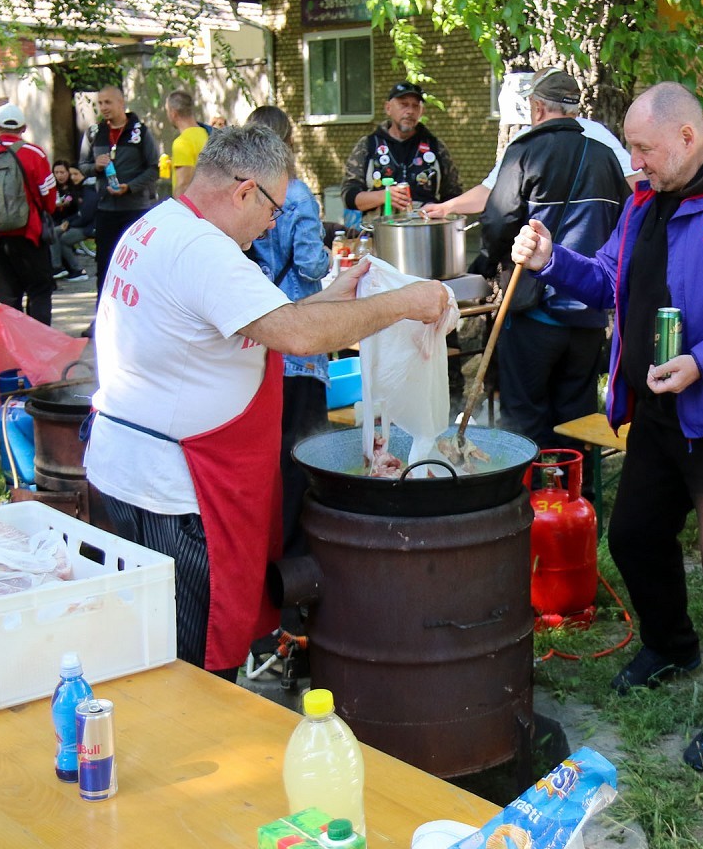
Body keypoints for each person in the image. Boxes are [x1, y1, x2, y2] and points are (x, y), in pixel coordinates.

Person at [510, 82, 703, 771]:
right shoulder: (645, 200)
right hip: (657, 407)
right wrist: (552, 260)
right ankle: (672, 644)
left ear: (687, 137)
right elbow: (608, 280)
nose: (635, 162)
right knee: (634, 535)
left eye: (644, 148)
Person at [84, 124, 452, 679]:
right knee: (190, 667)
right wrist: (405, 302)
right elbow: (297, 337)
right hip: (176, 491)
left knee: (148, 648)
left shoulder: (159, 225)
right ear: (244, 192)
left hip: (130, 470)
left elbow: (264, 321)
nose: (274, 223)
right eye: (275, 208)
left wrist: (334, 296)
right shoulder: (205, 251)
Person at [473, 69, 630, 453]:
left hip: (534, 311)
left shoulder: (523, 151)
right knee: (576, 423)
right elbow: (625, 225)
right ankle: (574, 487)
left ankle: (531, 488)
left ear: (538, 107)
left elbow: (497, 222)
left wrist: (489, 262)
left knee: (524, 419)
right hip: (589, 316)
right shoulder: (606, 157)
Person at [244, 105, 333, 558]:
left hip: (257, 339)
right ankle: (296, 557)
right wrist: (332, 254)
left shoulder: (244, 194)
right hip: (299, 338)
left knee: (266, 456)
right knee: (302, 454)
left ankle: (263, 547)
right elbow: (311, 264)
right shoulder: (296, 194)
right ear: (289, 142)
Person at [422, 67, 638, 219]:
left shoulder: (524, 143)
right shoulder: (598, 134)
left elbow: (494, 198)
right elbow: (638, 184)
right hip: (593, 251)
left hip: (540, 253)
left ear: (538, 106)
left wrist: (448, 208)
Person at [0, 103, 57, 324]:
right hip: (29, 233)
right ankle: (38, 341)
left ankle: (12, 343)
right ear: (23, 128)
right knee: (39, 289)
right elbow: (49, 195)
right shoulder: (34, 153)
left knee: (7, 299)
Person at [79, 85, 160, 300]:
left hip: (135, 210)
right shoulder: (94, 133)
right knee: (105, 265)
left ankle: (139, 312)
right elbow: (82, 166)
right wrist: (95, 166)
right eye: (100, 103)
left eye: (108, 102)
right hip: (105, 210)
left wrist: (130, 187)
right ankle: (103, 313)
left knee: (138, 267)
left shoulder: (139, 132)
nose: (103, 107)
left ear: (121, 103)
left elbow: (154, 169)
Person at [341, 82, 462, 214]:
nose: (410, 111)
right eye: (404, 104)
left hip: (426, 224)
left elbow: (454, 196)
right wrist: (384, 196)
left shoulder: (436, 147)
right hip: (380, 225)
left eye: (415, 106)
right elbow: (349, 197)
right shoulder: (368, 145)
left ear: (421, 112)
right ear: (388, 108)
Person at [53, 166, 97, 280]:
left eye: (76, 174)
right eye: (71, 174)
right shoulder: (76, 189)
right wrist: (67, 221)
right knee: (54, 232)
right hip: (79, 223)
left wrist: (70, 224)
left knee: (63, 238)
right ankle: (60, 268)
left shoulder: (88, 190)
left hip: (89, 227)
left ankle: (74, 270)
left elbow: (86, 216)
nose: (73, 177)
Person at [166, 90, 209, 196]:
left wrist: (176, 205)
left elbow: (183, 184)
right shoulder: (206, 134)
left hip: (191, 203)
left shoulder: (182, 143)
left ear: (173, 114)